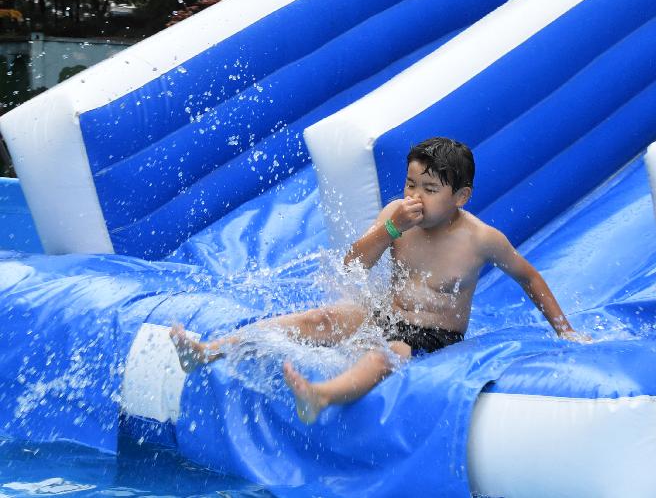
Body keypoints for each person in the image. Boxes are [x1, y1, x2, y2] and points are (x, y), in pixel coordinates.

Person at [170, 137, 588, 424]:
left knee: (390, 352)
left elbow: (528, 276)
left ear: (460, 197)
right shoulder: (395, 217)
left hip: (434, 338)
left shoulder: (480, 240)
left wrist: (565, 331)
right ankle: (208, 352)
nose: (415, 196)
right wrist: (389, 231)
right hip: (386, 315)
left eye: (430, 188)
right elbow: (353, 264)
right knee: (323, 317)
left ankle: (322, 396)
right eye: (410, 183)